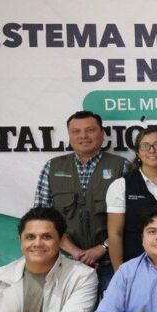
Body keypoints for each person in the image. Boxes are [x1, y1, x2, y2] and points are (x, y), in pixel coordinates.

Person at [34, 110, 128, 294]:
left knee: (113, 311)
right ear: (69, 136)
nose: (83, 136)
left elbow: (131, 217)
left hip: (111, 262)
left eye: (90, 130)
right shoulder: (52, 167)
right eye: (76, 131)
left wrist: (102, 248)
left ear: (102, 133)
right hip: (65, 262)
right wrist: (74, 251)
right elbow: (40, 218)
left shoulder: (121, 167)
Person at [106, 126, 157, 269]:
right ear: (137, 152)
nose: (152, 150)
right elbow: (115, 234)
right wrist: (121, 274)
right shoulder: (121, 185)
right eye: (145, 146)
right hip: (135, 266)